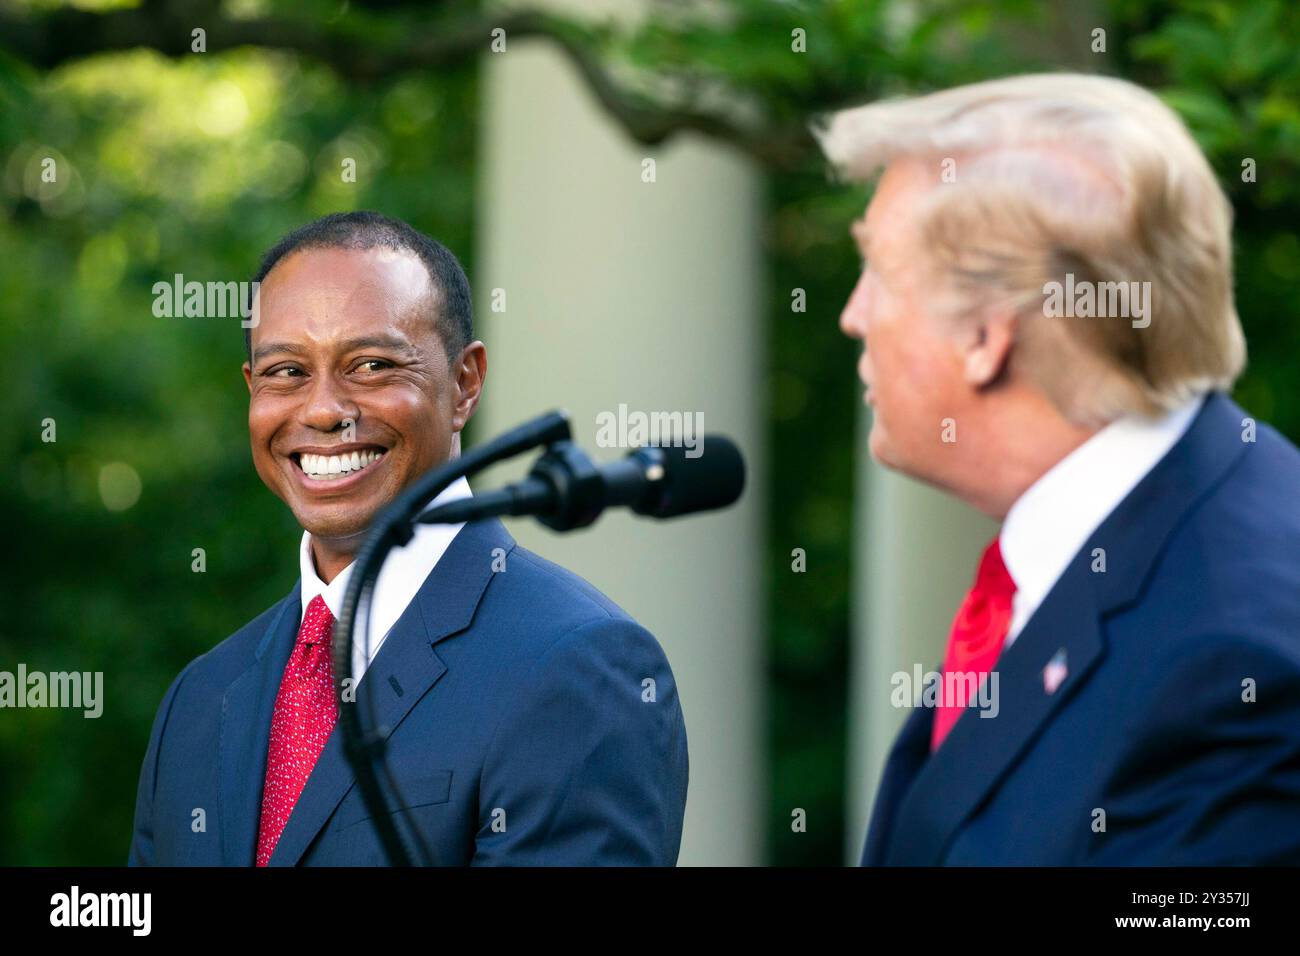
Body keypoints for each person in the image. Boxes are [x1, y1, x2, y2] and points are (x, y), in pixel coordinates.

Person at [816, 73, 1300, 864]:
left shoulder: (1234, 664)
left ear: (985, 336)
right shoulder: (1113, 545)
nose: (853, 313)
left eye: (878, 272)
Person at [128, 211, 688, 866]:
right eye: (286, 372)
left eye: (370, 364)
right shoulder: (199, 699)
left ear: (464, 384)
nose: (323, 410)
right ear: (252, 390)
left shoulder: (578, 667)